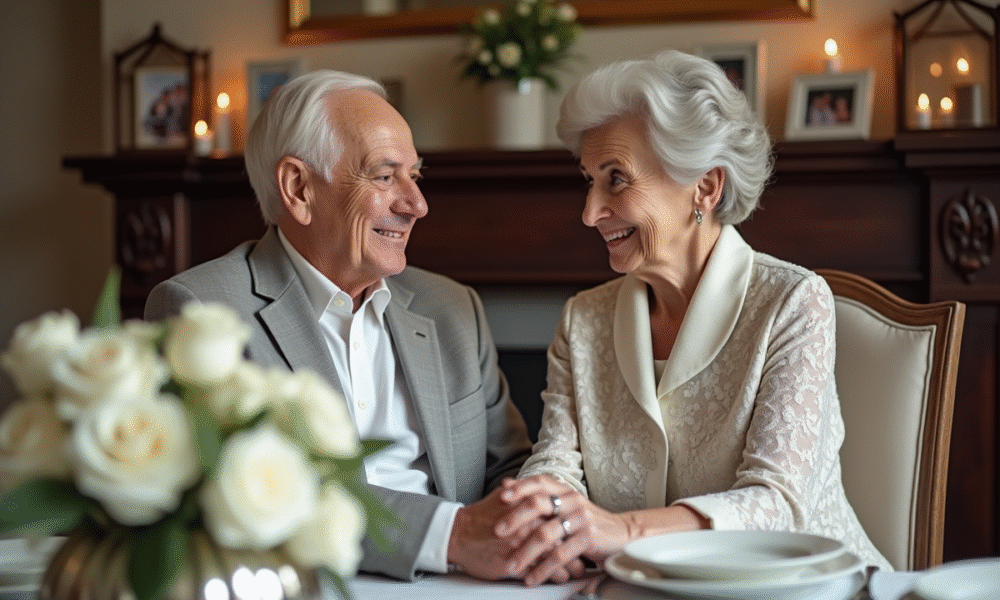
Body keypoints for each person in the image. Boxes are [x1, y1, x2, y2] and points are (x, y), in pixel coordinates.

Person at [493, 49, 892, 586]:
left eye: (616, 180)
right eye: (588, 180)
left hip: (805, 589)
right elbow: (556, 464)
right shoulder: (582, 320)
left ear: (705, 186)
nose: (589, 212)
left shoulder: (793, 303)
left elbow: (776, 502)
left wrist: (621, 530)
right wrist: (544, 521)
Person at [144, 70, 539, 582]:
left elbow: (509, 467)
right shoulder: (200, 313)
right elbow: (225, 501)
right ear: (298, 188)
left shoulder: (452, 308)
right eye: (383, 176)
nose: (416, 205)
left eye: (414, 176)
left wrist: (542, 525)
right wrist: (454, 535)